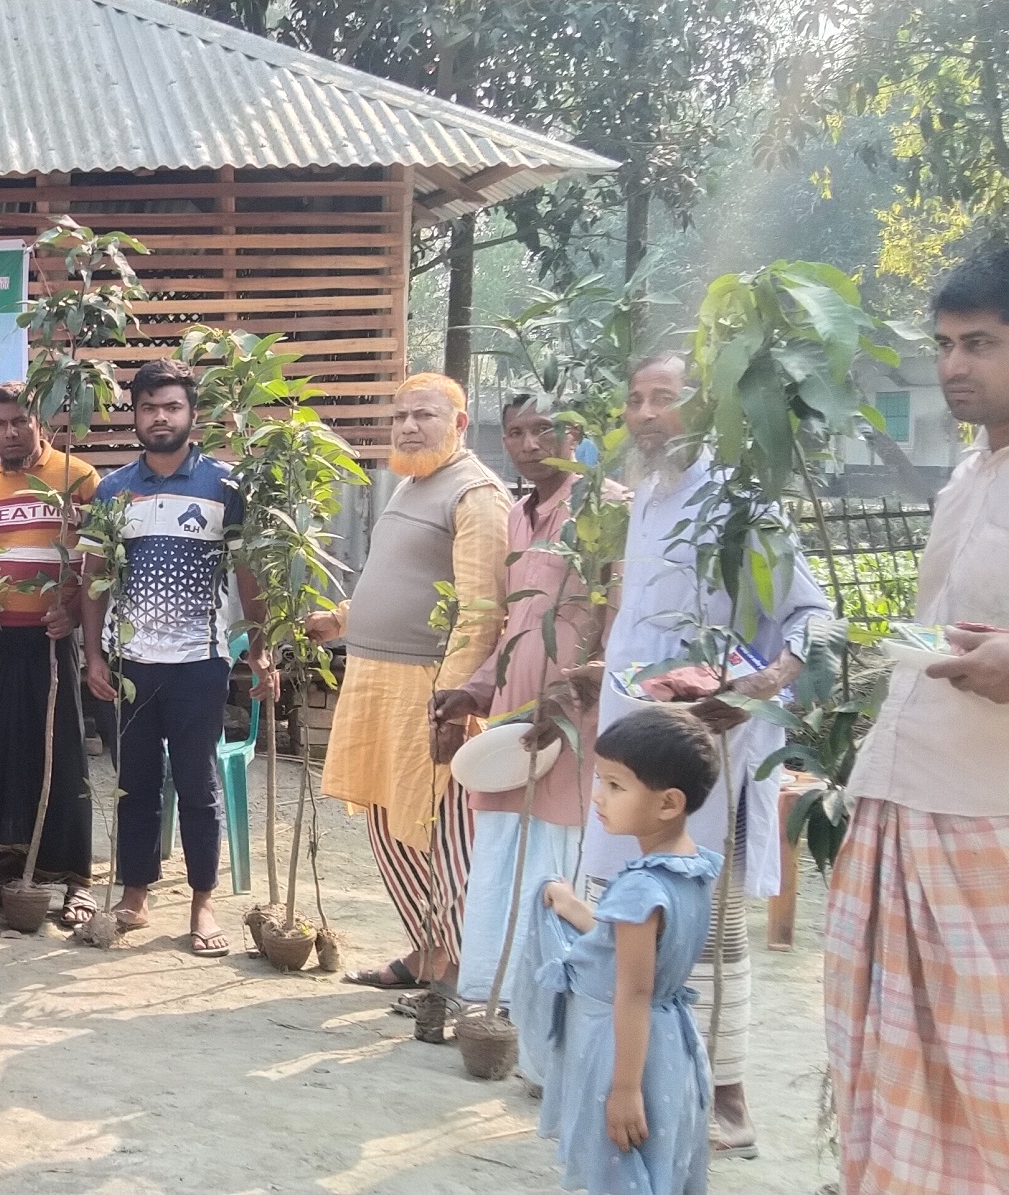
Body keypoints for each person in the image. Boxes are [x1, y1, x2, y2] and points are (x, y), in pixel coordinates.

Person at [826, 246, 1009, 1194]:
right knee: (901, 1077)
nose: (953, 365)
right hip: (907, 796)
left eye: (980, 343)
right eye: (942, 344)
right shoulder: (971, 472)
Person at [587, 351, 825, 1156]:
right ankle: (646, 1083)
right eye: (636, 398)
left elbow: (810, 621)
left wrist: (753, 694)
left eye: (667, 398)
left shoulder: (742, 499)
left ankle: (729, 1098)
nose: (647, 414)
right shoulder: (644, 500)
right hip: (629, 741)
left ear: (708, 407)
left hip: (708, 751)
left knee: (708, 922)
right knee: (634, 912)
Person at [312, 372, 508, 1033]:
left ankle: (462, 975)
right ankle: (426, 953)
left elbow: (480, 609)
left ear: (459, 423)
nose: (407, 427)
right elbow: (391, 581)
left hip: (429, 689)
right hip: (373, 679)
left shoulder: (476, 494)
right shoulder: (412, 483)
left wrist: (452, 703)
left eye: (424, 415)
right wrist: (339, 620)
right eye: (400, 415)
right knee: (386, 825)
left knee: (442, 835)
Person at [435, 395, 623, 1024]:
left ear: (576, 434)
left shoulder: (605, 510)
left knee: (553, 861)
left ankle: (544, 1005)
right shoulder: (517, 517)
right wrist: (475, 689)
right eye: (516, 432)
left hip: (572, 723)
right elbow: (516, 624)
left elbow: (616, 625)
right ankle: (487, 998)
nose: (530, 443)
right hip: (515, 718)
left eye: (545, 429)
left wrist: (574, 693)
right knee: (497, 856)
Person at [82, 360, 265, 955]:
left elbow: (248, 572)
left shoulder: (224, 487)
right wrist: (94, 655)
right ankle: (135, 897)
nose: (159, 417)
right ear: (134, 415)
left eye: (171, 407)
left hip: (199, 663)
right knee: (134, 784)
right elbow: (96, 575)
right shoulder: (113, 491)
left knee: (197, 782)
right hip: (131, 665)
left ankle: (202, 903)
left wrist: (261, 652)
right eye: (148, 407)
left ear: (191, 414)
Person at [530, 705, 720, 1195]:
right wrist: (574, 909)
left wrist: (624, 1089)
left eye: (616, 786)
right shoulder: (692, 868)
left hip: (625, 1050)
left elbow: (633, 990)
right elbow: (630, 947)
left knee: (622, 1172)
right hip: (670, 1045)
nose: (599, 797)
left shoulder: (640, 888)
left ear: (667, 803)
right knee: (660, 1168)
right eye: (600, 780)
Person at [0, 382, 99, 922]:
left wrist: (73, 609)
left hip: (51, 640)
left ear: (40, 421)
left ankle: (75, 878)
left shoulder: (77, 479)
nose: (11, 433)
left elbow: (95, 566)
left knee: (61, 756)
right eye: (0, 425)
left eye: (20, 422)